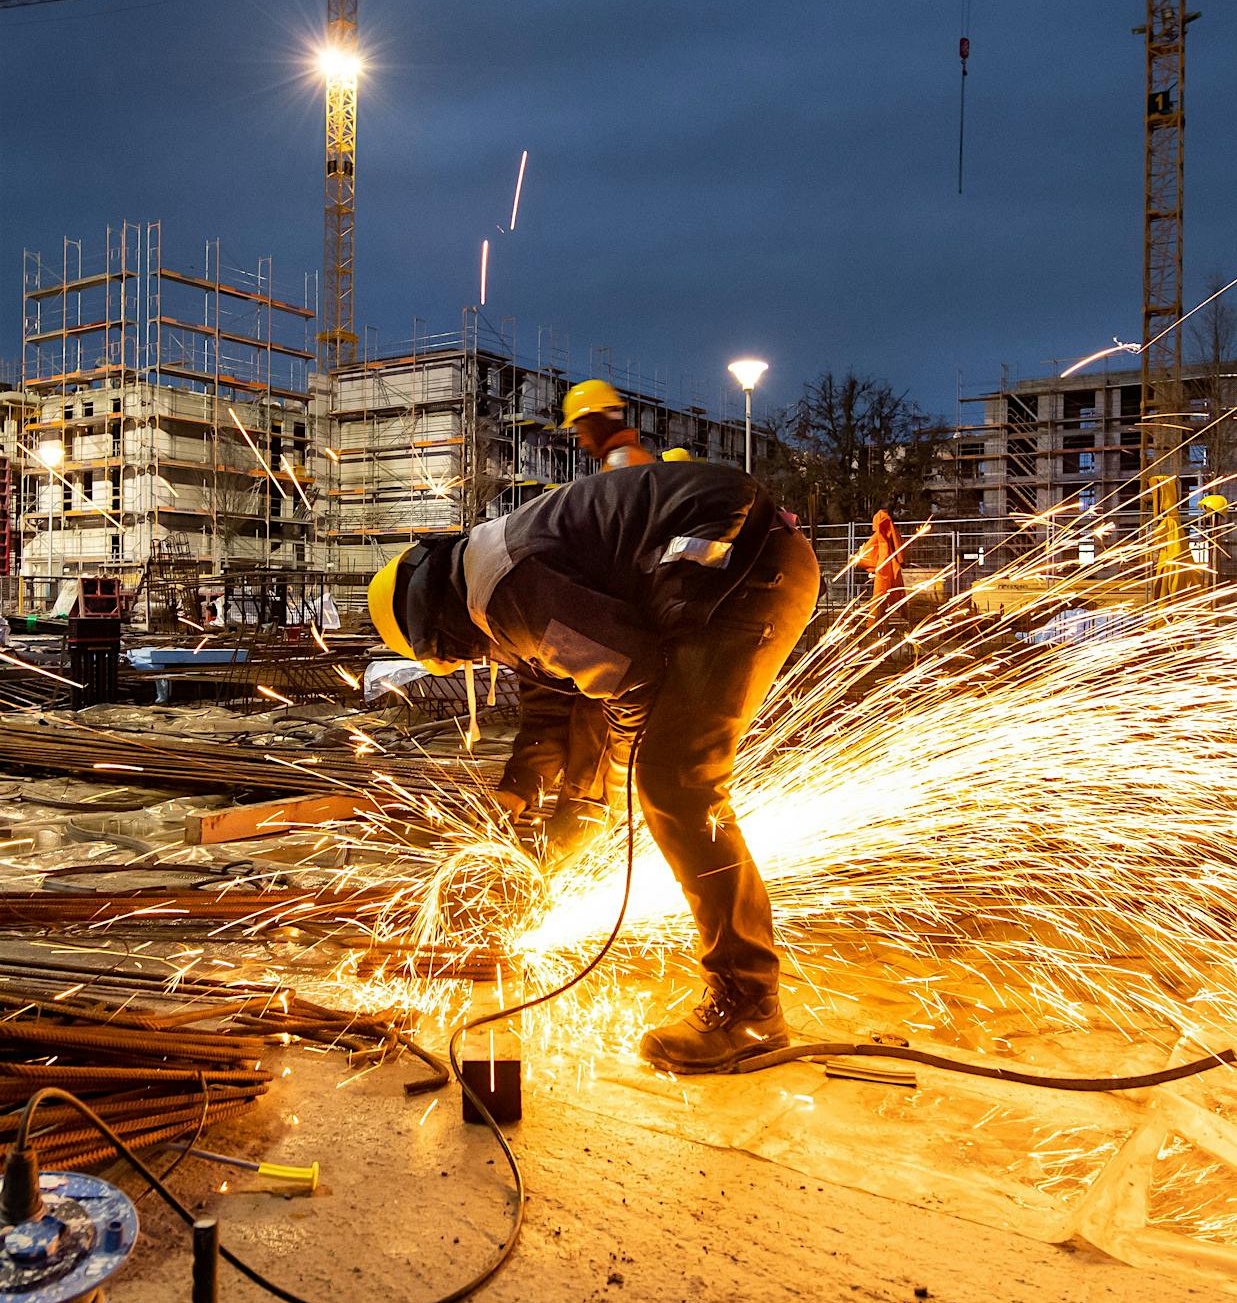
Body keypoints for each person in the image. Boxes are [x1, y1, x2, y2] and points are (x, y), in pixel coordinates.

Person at [367, 458, 821, 1073]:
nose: (469, 660)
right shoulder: (492, 576)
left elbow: (632, 680)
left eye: (453, 655)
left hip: (741, 568)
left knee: (675, 782)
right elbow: (557, 698)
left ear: (433, 619)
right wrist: (521, 789)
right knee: (660, 777)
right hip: (739, 560)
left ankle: (749, 1007)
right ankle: (744, 987)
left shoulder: (505, 592)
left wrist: (603, 800)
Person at [562, 379, 651, 470]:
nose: (582, 443)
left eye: (584, 432)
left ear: (597, 422)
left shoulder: (622, 463)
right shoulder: (626, 458)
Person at [855, 509, 907, 623]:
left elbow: (867, 553)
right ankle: (880, 622)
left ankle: (875, 624)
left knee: (880, 598)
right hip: (885, 569)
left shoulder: (882, 533)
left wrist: (859, 559)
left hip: (883, 571)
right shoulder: (890, 533)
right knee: (884, 598)